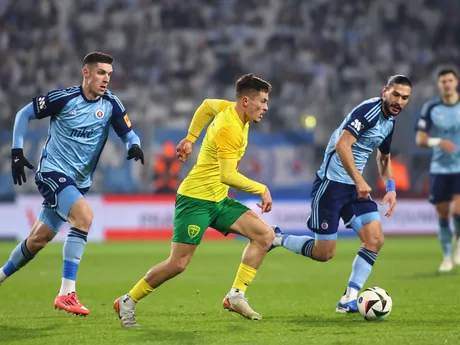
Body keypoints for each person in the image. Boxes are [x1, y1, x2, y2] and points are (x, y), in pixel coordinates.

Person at [113, 73, 274, 328]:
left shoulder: (232, 111)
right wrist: (261, 189)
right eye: (262, 101)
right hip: (196, 200)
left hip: (218, 199)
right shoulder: (229, 127)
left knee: (264, 235)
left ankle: (236, 295)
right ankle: (127, 301)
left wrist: (190, 139)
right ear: (245, 101)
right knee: (178, 264)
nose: (266, 107)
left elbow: (207, 105)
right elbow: (227, 174)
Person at [0, 52, 144, 316]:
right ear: (86, 73)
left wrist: (133, 145)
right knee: (84, 217)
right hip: (52, 173)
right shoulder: (63, 98)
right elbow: (23, 114)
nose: (106, 80)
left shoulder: (111, 104)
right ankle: (66, 293)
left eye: (109, 75)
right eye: (101, 73)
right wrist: (17, 151)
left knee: (37, 240)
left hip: (77, 182)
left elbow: (128, 131)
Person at [269, 75, 412, 313]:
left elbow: (383, 157)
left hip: (356, 188)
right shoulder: (368, 111)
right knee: (324, 253)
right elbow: (342, 144)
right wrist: (359, 180)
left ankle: (349, 298)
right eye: (396, 94)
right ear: (385, 91)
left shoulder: (390, 122)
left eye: (405, 98)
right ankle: (277, 238)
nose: (399, 101)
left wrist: (391, 188)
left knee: (374, 240)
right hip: (332, 184)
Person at [415, 68, 460, 272]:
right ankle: (447, 257)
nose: (447, 84)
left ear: (456, 82)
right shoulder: (431, 107)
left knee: (458, 210)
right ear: (439, 85)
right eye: (443, 81)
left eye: (450, 80)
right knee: (442, 214)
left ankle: (458, 243)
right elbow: (420, 139)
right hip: (440, 167)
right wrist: (439, 141)